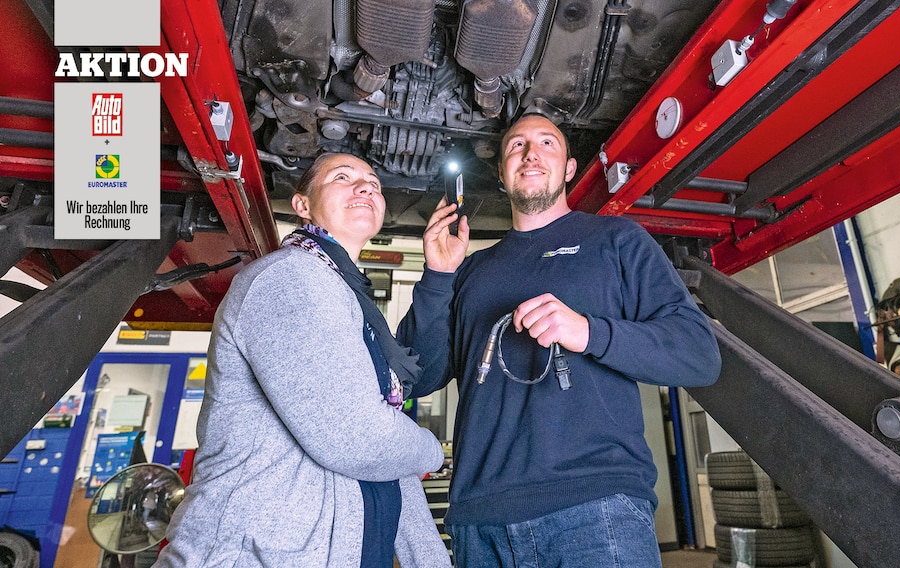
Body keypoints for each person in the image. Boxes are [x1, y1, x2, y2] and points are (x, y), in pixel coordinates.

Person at [398, 113, 722, 566]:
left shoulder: (616, 241)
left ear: (569, 168)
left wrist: (588, 331)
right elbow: (414, 377)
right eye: (517, 146)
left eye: (547, 143)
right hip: (481, 521)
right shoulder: (470, 269)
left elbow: (698, 354)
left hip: (595, 509)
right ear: (502, 172)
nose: (530, 154)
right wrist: (436, 276)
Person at [155, 153, 450, 568]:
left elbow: (384, 455)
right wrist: (430, 450)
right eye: (343, 177)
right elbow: (360, 438)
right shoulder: (288, 278)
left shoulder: (346, 297)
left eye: (374, 183)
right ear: (302, 205)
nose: (366, 187)